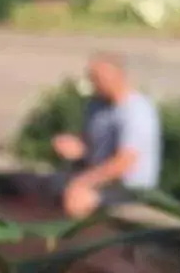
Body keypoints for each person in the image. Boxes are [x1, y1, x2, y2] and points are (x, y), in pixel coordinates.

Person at [52, 52, 162, 218]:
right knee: (44, 185)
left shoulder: (136, 112)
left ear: (117, 77)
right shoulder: (96, 106)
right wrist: (76, 147)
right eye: (91, 78)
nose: (92, 84)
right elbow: (90, 145)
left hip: (127, 187)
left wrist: (83, 183)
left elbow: (123, 163)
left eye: (97, 79)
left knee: (78, 200)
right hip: (98, 178)